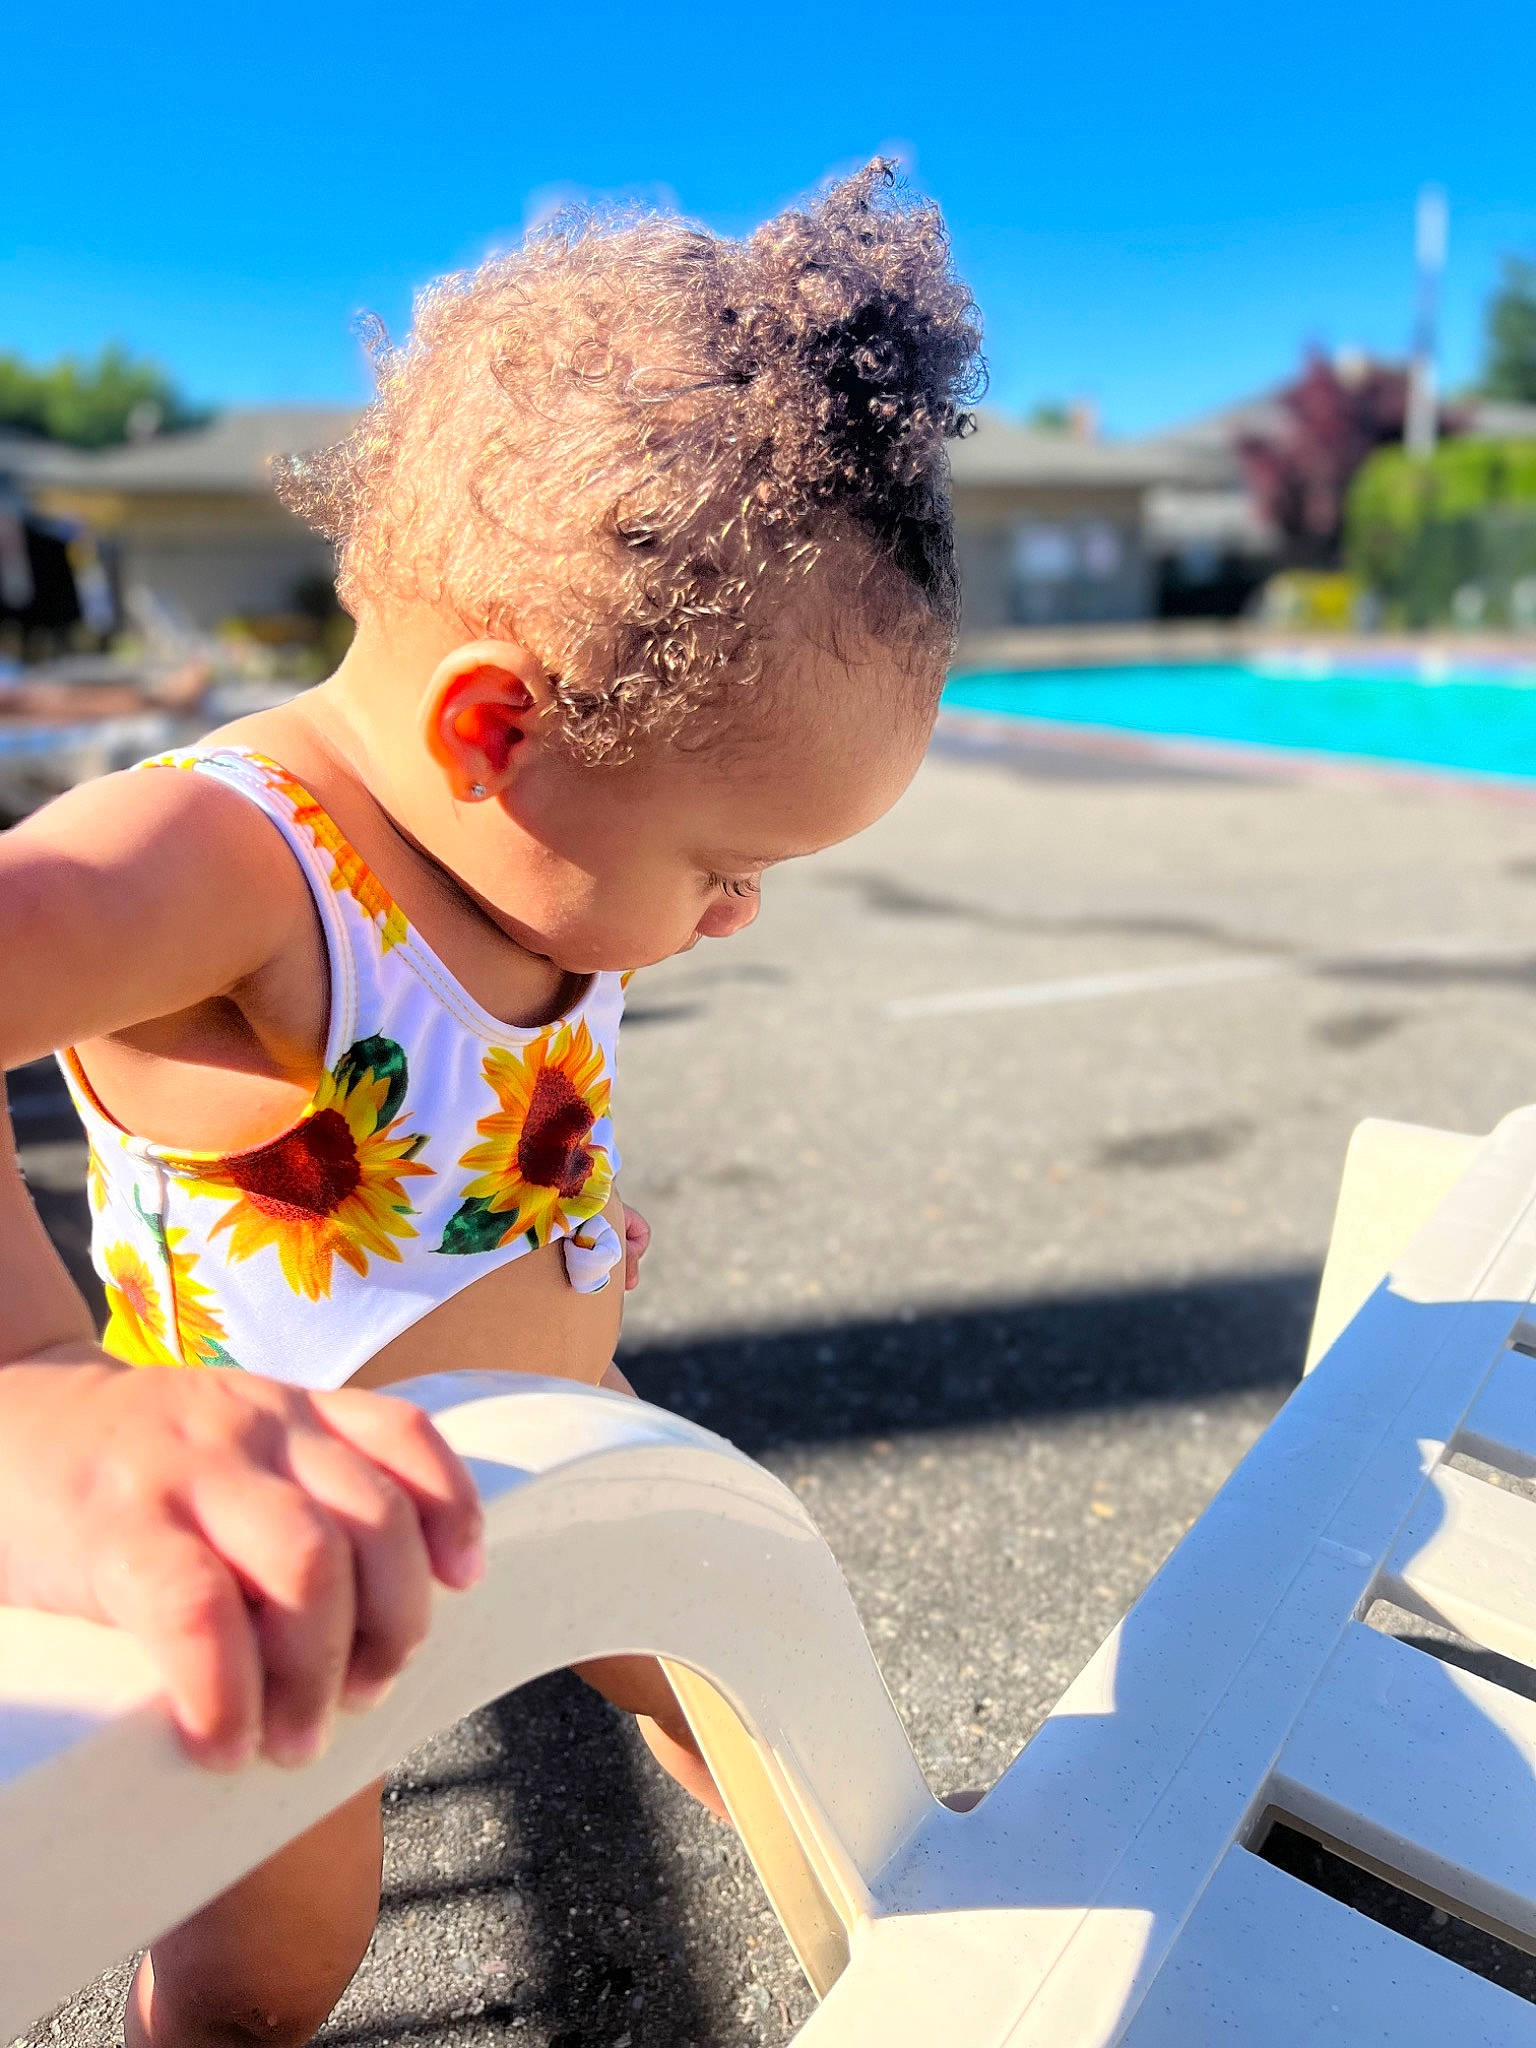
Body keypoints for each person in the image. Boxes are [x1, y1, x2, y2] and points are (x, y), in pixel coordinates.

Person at [0, 161, 983, 2047]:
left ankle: (940, 1961)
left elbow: (467, 1108)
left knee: (768, 1705)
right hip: (300, 1562)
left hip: (565, 1456)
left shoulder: (527, 851)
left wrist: (548, 1240)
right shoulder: (234, 867)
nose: (738, 913)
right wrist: (36, 1388)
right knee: (278, 1959)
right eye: (721, 866)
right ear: (494, 731)